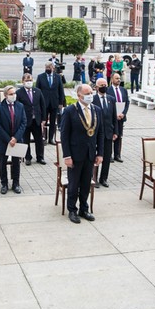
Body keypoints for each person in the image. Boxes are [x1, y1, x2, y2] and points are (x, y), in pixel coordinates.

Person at [60, 83, 103, 223]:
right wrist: (67, 156)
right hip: (75, 154)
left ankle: (84, 208)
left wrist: (100, 153)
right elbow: (64, 135)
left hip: (90, 153)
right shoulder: (70, 111)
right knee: (74, 184)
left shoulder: (97, 110)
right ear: (79, 95)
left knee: (86, 183)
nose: (90, 95)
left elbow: (100, 134)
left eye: (91, 92)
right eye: (87, 93)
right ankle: (72, 210)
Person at [0, 85, 26, 194]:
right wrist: (8, 139)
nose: (13, 96)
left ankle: (16, 183)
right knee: (3, 163)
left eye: (14, 93)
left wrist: (15, 138)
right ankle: (4, 184)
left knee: (16, 162)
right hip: (4, 140)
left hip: (16, 140)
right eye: (11, 94)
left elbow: (23, 123)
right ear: (6, 95)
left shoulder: (20, 106)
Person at [16, 73, 46, 166]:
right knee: (26, 140)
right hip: (25, 120)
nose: (29, 82)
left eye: (30, 80)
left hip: (36, 119)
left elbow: (42, 105)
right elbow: (17, 107)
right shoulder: (19, 93)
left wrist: (44, 119)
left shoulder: (37, 91)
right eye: (27, 80)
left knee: (39, 140)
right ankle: (27, 157)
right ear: (23, 81)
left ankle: (40, 157)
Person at [92, 78, 117, 187]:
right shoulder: (93, 99)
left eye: (105, 84)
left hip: (108, 133)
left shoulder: (111, 99)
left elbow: (114, 117)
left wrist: (116, 132)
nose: (104, 86)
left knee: (107, 157)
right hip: (95, 134)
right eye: (101, 85)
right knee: (95, 157)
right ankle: (94, 178)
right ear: (96, 87)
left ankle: (104, 178)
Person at [36, 61, 65, 145]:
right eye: (46, 68)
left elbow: (61, 90)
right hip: (43, 103)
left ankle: (51, 138)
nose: (48, 69)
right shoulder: (40, 77)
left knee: (53, 122)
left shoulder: (57, 77)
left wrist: (61, 102)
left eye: (49, 67)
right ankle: (43, 138)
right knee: (43, 121)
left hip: (54, 103)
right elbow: (37, 90)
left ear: (53, 68)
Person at [109, 73, 129, 162]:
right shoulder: (108, 90)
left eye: (119, 78)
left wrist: (123, 113)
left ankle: (117, 155)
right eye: (116, 78)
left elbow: (127, 103)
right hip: (111, 118)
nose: (118, 80)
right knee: (110, 136)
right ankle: (109, 155)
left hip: (121, 117)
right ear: (112, 79)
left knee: (119, 136)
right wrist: (114, 115)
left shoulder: (123, 90)